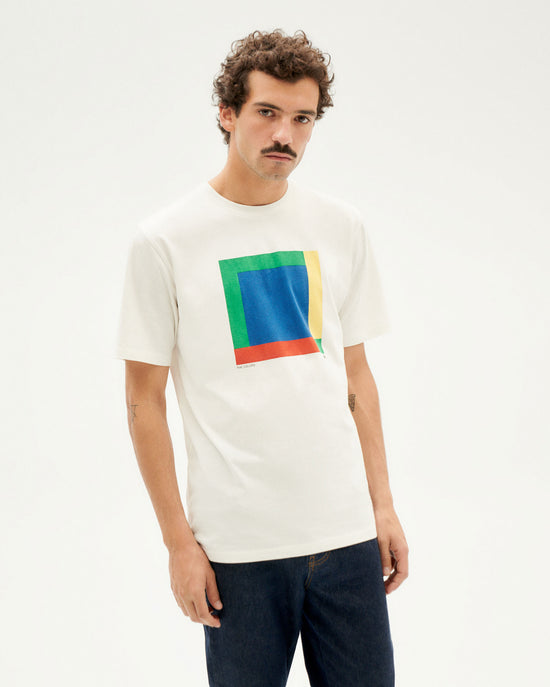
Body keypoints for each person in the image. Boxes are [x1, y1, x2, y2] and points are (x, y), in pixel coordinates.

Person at [115, 28, 408, 687]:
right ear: (227, 113)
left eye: (302, 119)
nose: (285, 135)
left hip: (346, 538)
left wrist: (383, 506)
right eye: (267, 112)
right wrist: (178, 544)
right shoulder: (164, 241)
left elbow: (357, 378)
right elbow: (142, 403)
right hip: (238, 551)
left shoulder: (340, 226)